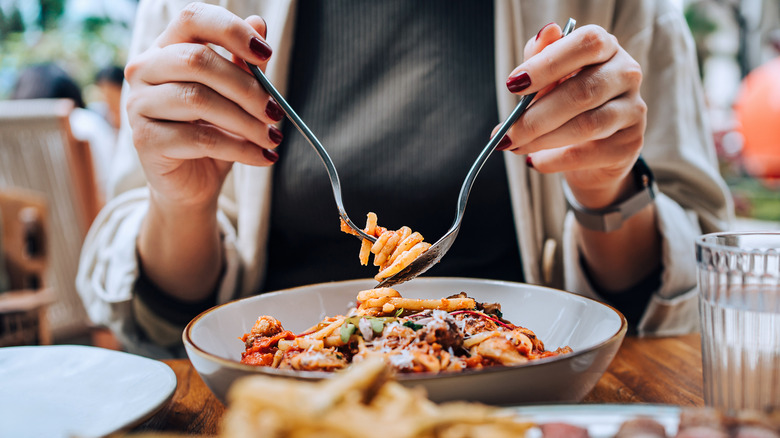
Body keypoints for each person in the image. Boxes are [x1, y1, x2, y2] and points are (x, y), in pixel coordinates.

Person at [76, 0, 734, 358]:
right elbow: (157, 323)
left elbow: (691, 290)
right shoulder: (194, 12)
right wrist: (183, 205)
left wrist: (606, 191)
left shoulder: (624, 8)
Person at [11, 63, 117, 201]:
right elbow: (112, 185)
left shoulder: (11, 135)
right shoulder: (85, 123)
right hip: (92, 220)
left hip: (27, 221)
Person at [94, 65, 125, 132]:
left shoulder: (129, 113)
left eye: (109, 95)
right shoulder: (105, 116)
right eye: (103, 93)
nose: (106, 99)